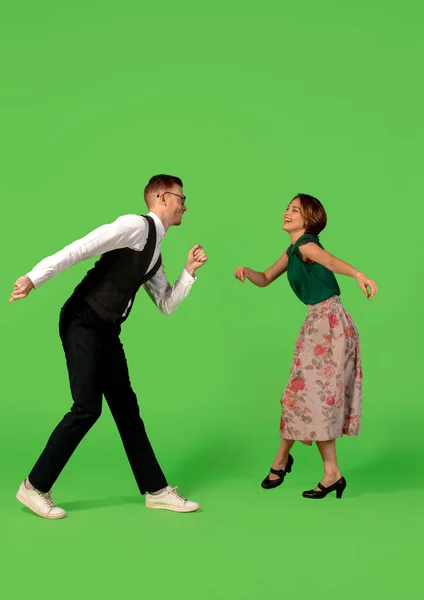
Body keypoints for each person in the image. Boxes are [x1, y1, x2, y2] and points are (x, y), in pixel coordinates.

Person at [10, 174, 207, 519]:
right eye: (180, 197)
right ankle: (34, 487)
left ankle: (156, 490)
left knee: (127, 409)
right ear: (161, 197)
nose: (184, 205)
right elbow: (82, 247)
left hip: (106, 329)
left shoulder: (155, 252)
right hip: (82, 320)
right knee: (87, 407)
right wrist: (35, 277)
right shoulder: (135, 226)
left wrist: (188, 272)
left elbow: (165, 303)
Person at [234, 194, 378, 499]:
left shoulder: (307, 245)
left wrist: (357, 274)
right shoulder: (292, 250)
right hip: (317, 323)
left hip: (329, 324)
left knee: (312, 397)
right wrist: (248, 272)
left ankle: (290, 463)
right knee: (302, 396)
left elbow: (330, 260)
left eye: (294, 210)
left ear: (309, 219)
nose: (287, 212)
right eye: (287, 207)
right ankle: (327, 473)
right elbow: (266, 278)